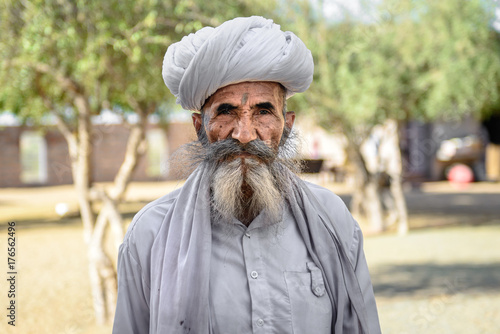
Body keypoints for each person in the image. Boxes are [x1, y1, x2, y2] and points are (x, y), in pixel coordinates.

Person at [113, 16, 381, 334]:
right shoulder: (149, 234)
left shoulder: (332, 220)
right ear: (200, 128)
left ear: (287, 126)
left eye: (263, 112)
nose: (243, 134)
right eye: (226, 112)